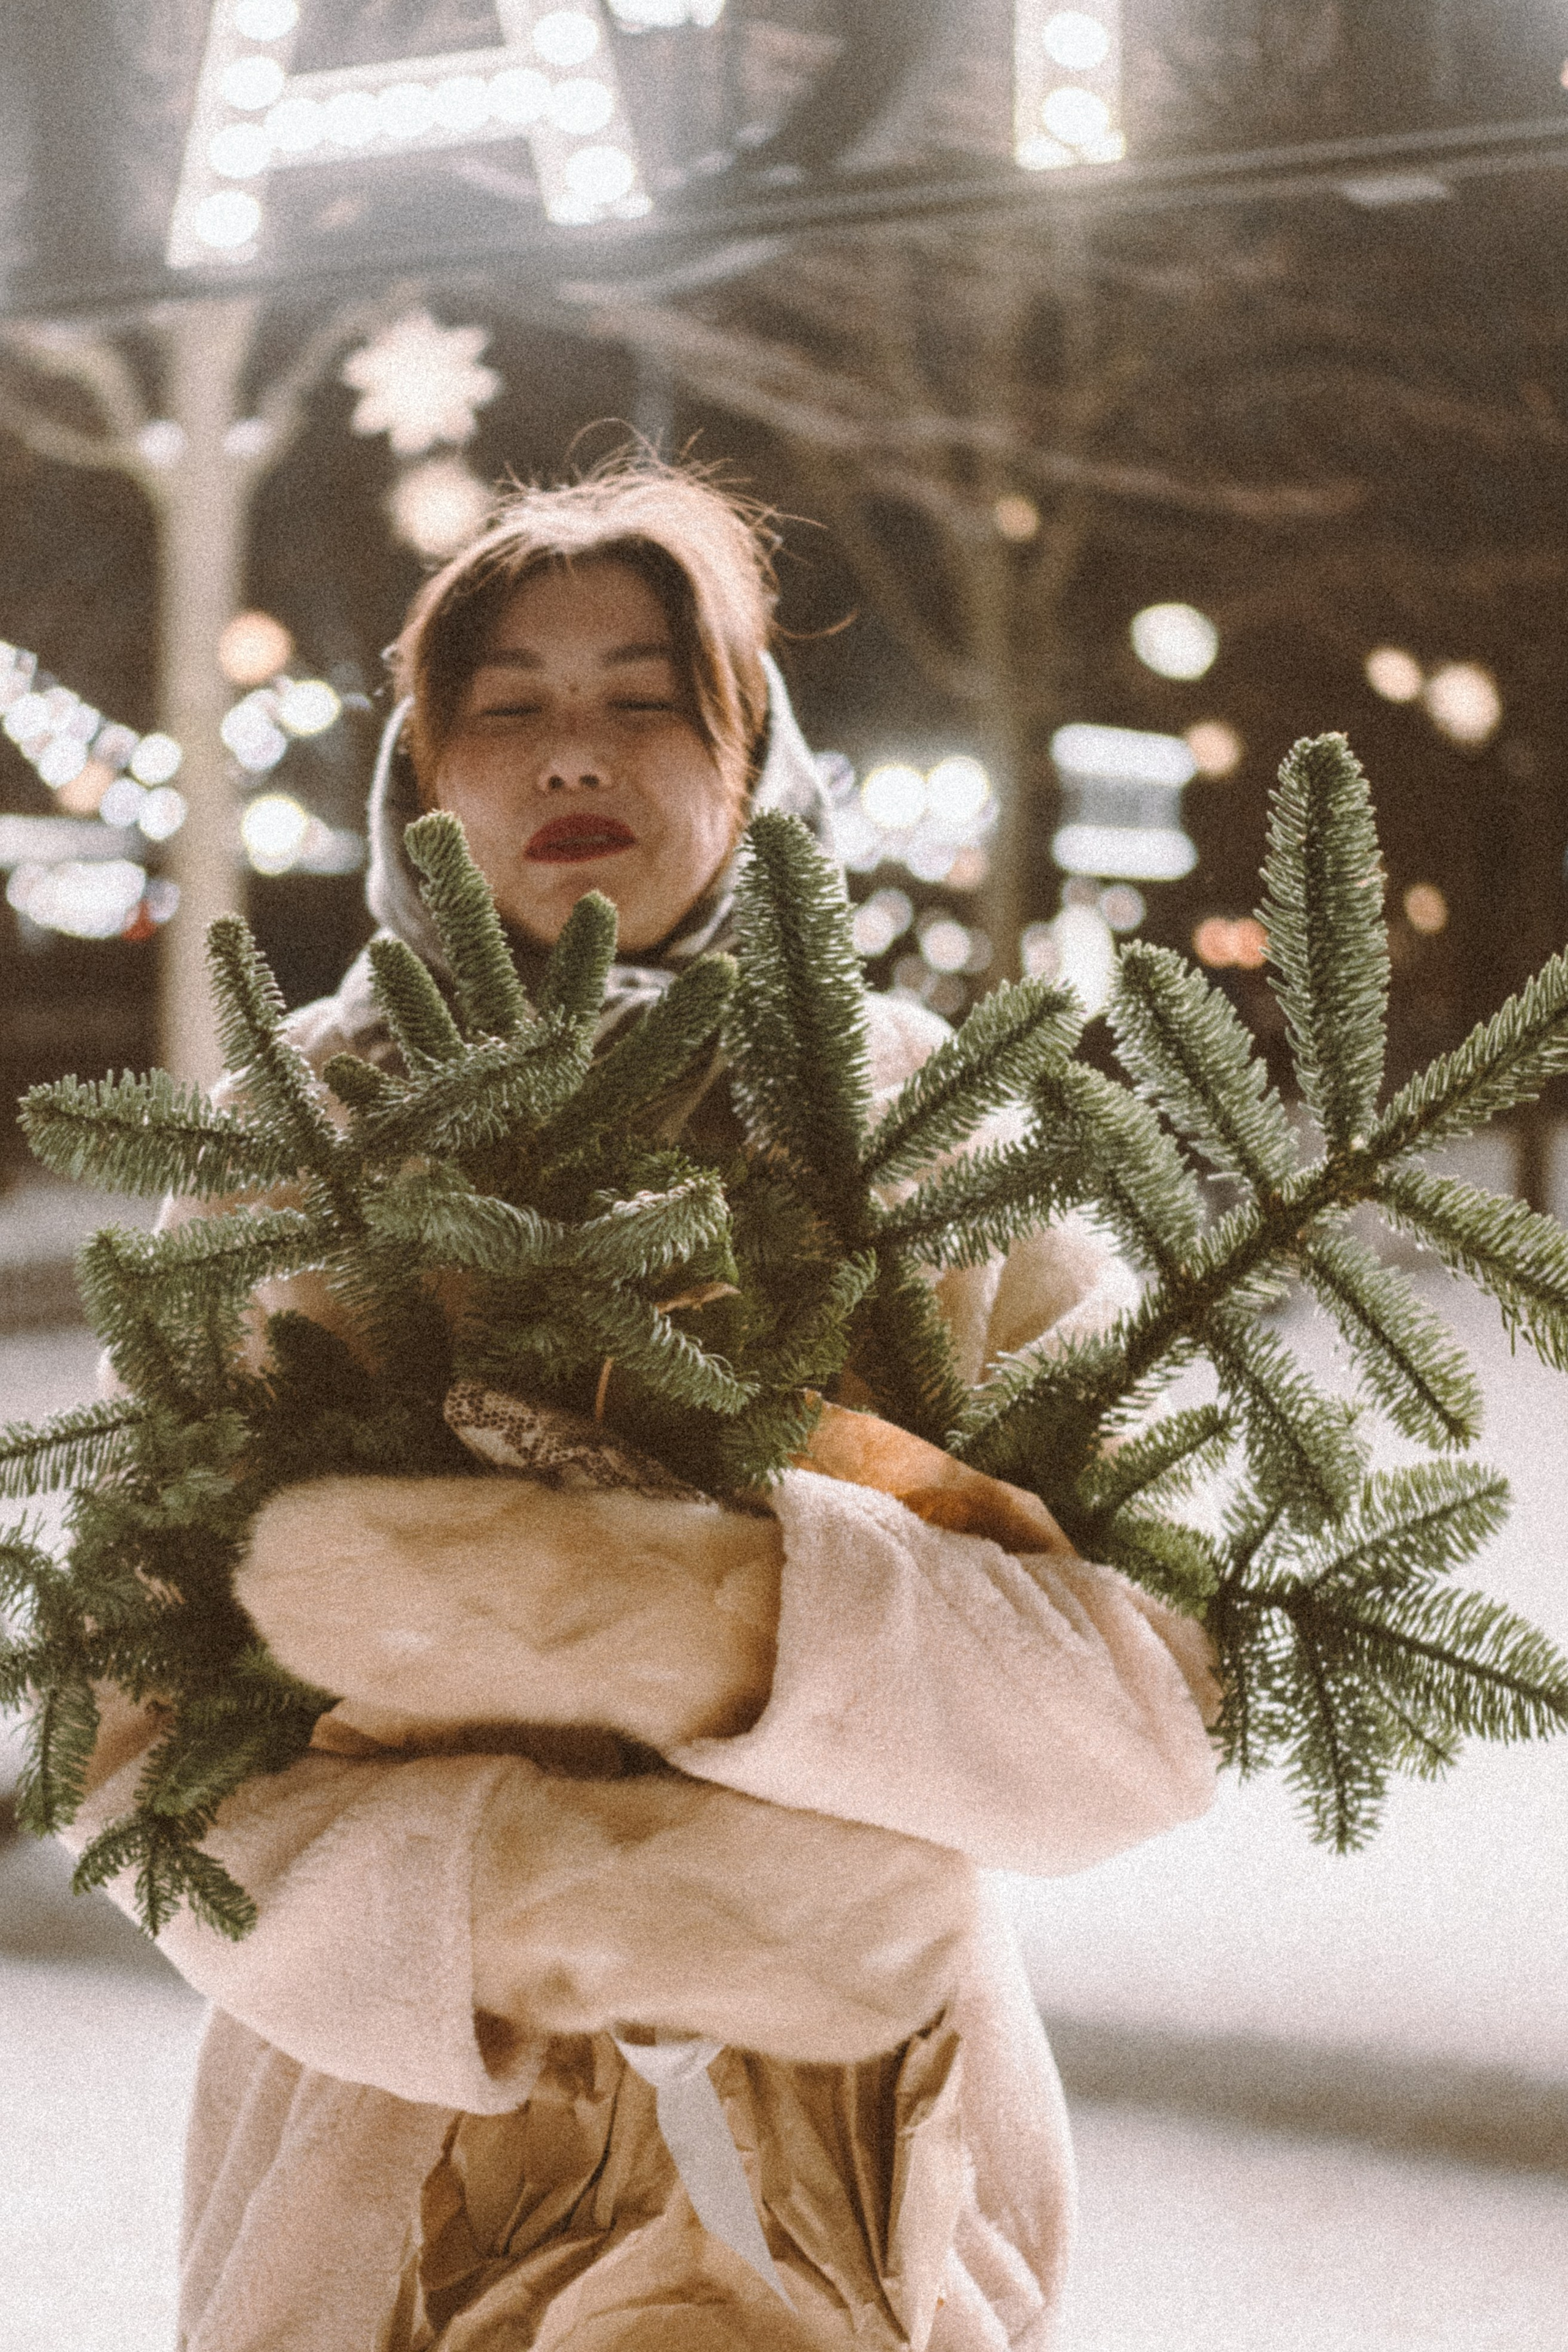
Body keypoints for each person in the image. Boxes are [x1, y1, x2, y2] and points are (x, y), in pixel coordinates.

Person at [64, 459, 1219, 2351]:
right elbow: (132, 1742)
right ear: (427, 779)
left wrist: (716, 1620)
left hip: (861, 2162)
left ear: (746, 758)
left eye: (639, 696)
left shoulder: (922, 1132)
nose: (570, 751)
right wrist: (532, 1902)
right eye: (506, 705)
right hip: (397, 2196)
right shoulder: (301, 1162)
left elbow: (1149, 1690)